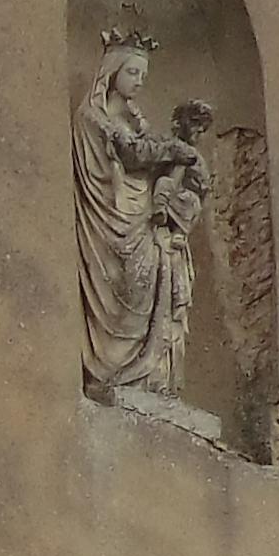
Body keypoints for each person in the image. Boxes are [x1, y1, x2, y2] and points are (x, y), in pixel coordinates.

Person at [74, 35, 209, 400]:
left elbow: (148, 163)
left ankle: (150, 378)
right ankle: (114, 372)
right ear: (112, 72)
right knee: (124, 289)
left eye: (142, 75)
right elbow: (131, 155)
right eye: (132, 72)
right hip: (111, 219)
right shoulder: (93, 118)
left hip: (143, 222)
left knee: (157, 288)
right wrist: (170, 150)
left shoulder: (138, 125)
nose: (138, 81)